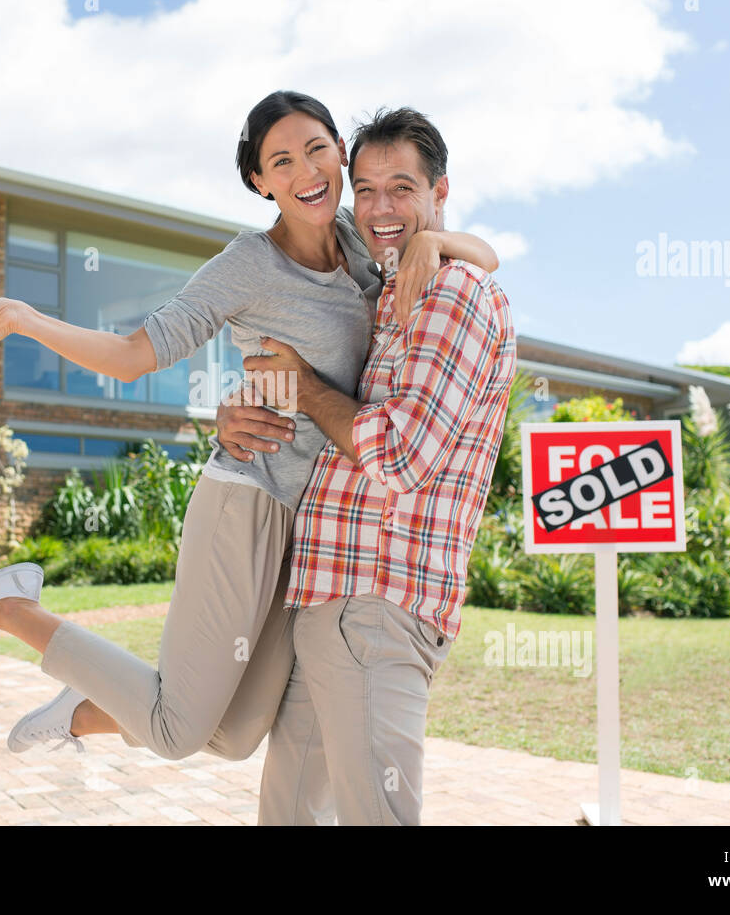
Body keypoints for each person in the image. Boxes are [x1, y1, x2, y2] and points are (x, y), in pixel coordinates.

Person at [0, 91, 499, 766]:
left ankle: (81, 711)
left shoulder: (361, 238)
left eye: (316, 149)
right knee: (178, 729)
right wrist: (22, 316)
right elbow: (135, 354)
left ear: (340, 153)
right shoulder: (248, 265)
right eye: (280, 161)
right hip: (250, 500)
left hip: (313, 532)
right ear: (259, 181)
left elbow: (484, 255)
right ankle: (8, 606)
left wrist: (435, 238)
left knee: (236, 731)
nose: (305, 171)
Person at [216, 107, 516, 825]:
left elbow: (399, 456)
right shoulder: (386, 294)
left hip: (375, 606)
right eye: (367, 188)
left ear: (439, 192)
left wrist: (307, 385)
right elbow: (326, 426)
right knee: (288, 816)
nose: (381, 208)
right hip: (333, 604)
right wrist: (243, 412)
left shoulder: (453, 293)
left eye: (402, 189)